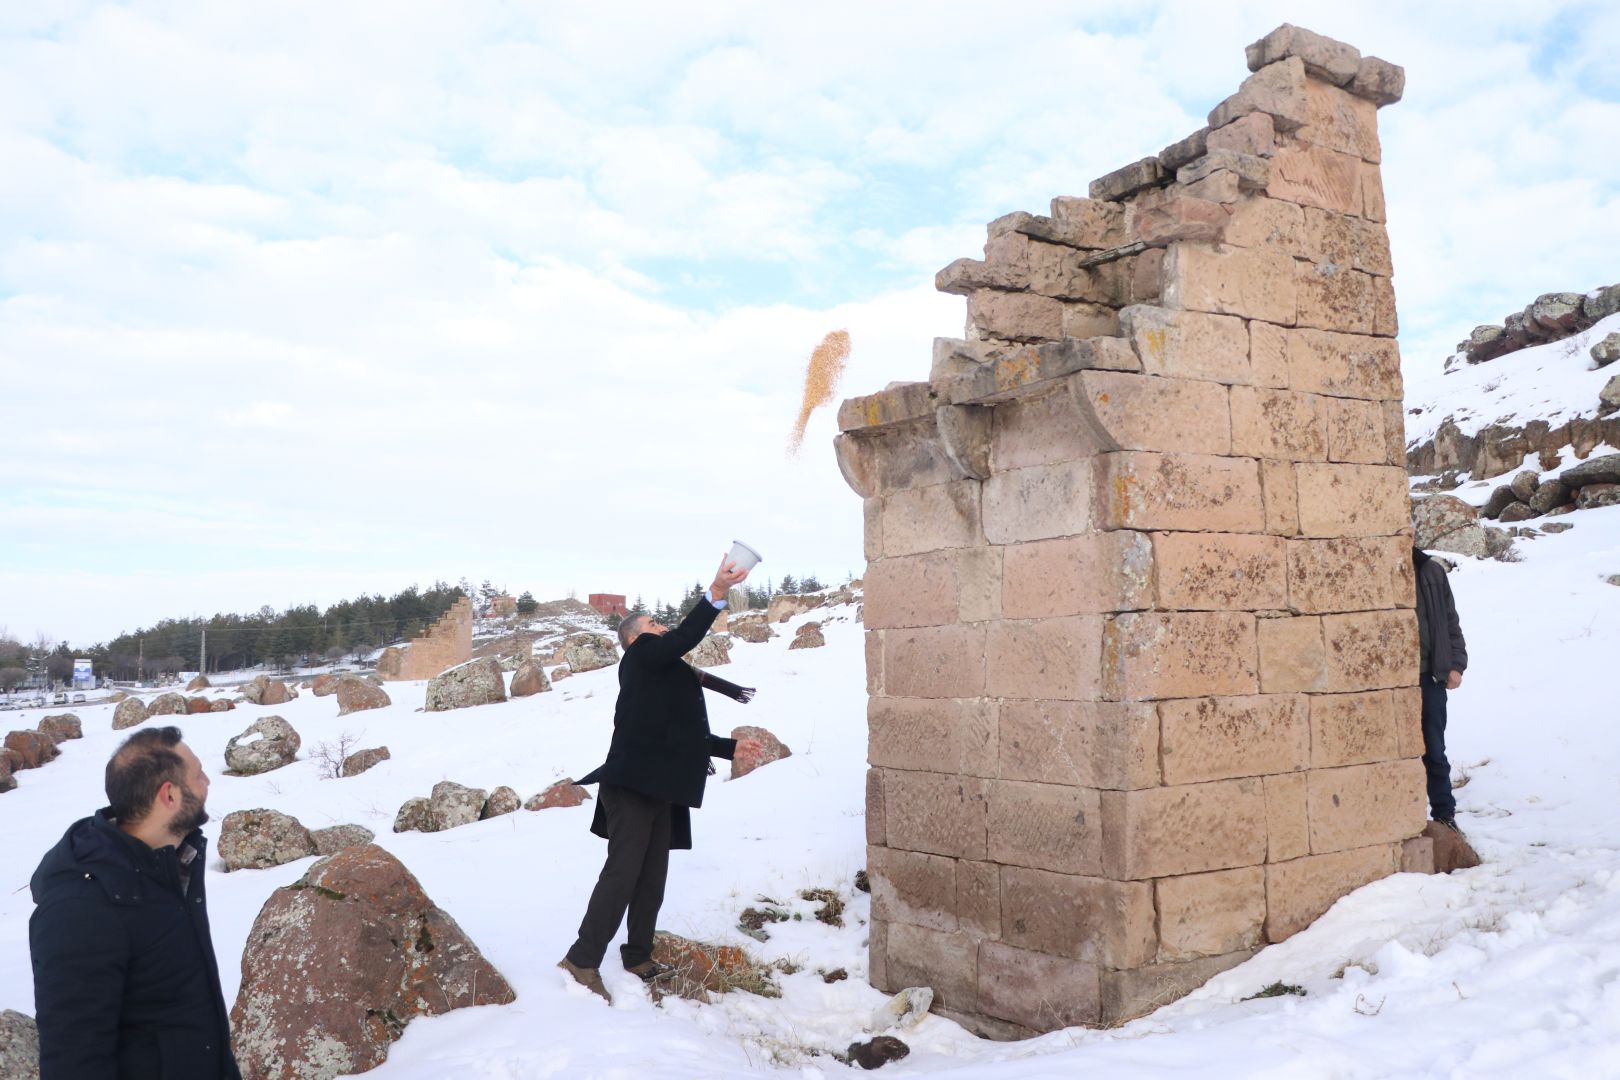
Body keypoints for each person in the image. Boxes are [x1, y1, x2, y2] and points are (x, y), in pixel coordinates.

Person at [559, 556, 763, 1003]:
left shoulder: (664, 674)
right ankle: (581, 959)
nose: (662, 626)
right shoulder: (641, 657)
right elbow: (688, 635)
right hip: (632, 786)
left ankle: (638, 955)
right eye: (654, 622)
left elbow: (680, 734)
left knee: (651, 879)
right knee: (622, 874)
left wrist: (730, 748)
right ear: (634, 638)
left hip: (660, 789)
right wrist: (716, 591)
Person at [29, 725, 241, 1079]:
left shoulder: (169, 866)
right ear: (169, 795)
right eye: (199, 774)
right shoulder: (82, 908)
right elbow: (75, 1059)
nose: (208, 782)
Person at [1413, 547, 1468, 833]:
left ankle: (1444, 816)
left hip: (1428, 677)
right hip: (1393, 679)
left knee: (1434, 750)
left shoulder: (1430, 571)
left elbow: (1450, 622)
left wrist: (1456, 664)